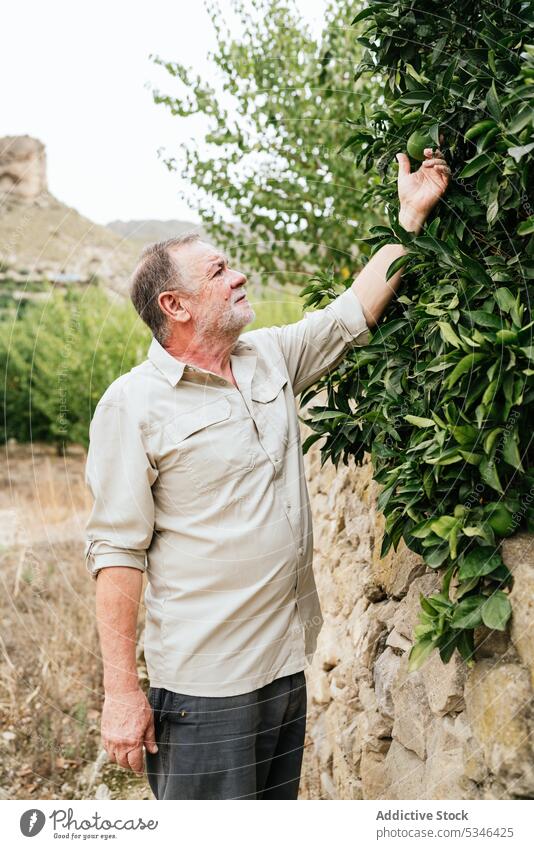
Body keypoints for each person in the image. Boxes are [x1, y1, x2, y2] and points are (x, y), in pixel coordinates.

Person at [84, 148, 451, 800]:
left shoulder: (269, 357)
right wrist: (121, 691)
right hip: (204, 689)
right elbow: (116, 554)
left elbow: (352, 313)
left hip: (284, 671)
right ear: (176, 304)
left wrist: (409, 216)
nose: (239, 275)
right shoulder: (132, 404)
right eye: (219, 271)